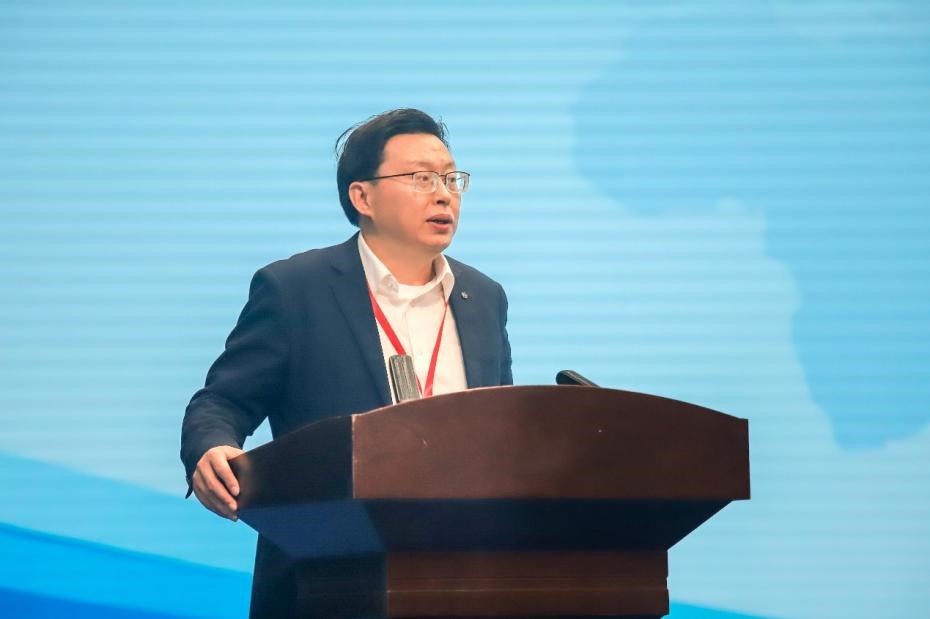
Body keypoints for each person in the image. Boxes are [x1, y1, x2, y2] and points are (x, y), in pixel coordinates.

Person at [180, 108, 513, 617]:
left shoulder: (482, 297)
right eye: (422, 178)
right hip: (327, 579)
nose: (444, 194)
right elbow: (221, 402)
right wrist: (211, 448)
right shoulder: (296, 289)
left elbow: (503, 430)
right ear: (363, 197)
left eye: (451, 179)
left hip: (462, 578)